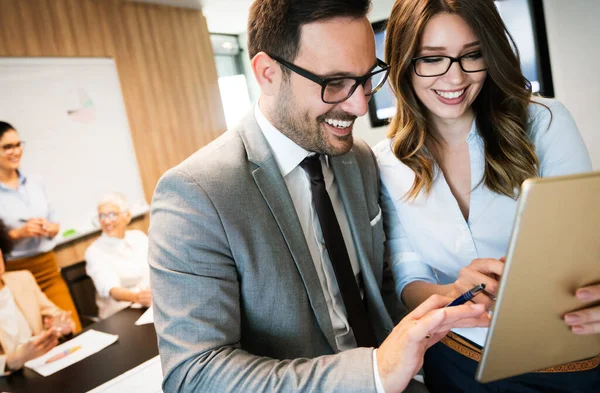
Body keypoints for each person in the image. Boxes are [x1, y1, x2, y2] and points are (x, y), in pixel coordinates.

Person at [148, 1, 489, 392]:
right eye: (335, 83)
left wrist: (443, 301)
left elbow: (375, 285)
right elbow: (194, 374)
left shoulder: (358, 160)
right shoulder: (196, 194)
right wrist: (375, 373)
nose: (360, 104)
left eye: (366, 78)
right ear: (268, 73)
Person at [373, 0, 598, 392]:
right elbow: (410, 277)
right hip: (455, 358)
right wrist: (454, 292)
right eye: (432, 59)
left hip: (561, 357)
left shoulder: (543, 123)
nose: (455, 78)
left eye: (471, 55)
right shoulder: (386, 161)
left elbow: (587, 246)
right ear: (404, 62)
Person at [0, 121, 81, 332]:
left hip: (48, 268)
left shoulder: (36, 182)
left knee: (72, 329)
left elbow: (54, 221)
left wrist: (51, 228)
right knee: (41, 342)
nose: (16, 151)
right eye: (7, 147)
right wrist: (18, 233)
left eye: (18, 144)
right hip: (15, 275)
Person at [0, 219, 75, 374]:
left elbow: (56, 315)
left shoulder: (22, 279)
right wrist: (13, 360)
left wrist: (62, 326)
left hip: (44, 367)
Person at [85, 193, 151, 319]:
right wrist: (137, 297)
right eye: (102, 216)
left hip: (150, 306)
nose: (106, 221)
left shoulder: (139, 237)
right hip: (120, 314)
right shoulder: (94, 252)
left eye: (112, 214)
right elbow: (113, 290)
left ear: (127, 216)